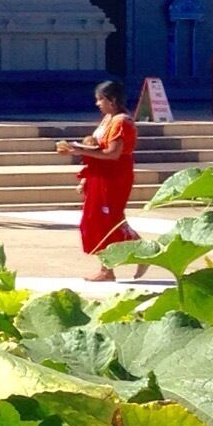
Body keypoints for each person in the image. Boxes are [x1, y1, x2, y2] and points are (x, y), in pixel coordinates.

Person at [56, 79, 139, 280]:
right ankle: (111, 265)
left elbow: (112, 153)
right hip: (100, 174)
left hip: (115, 175)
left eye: (101, 99)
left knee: (108, 220)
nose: (98, 104)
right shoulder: (108, 119)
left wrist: (80, 149)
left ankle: (120, 261)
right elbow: (99, 147)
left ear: (113, 99)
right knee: (95, 220)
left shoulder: (122, 122)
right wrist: (79, 150)